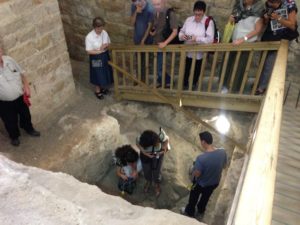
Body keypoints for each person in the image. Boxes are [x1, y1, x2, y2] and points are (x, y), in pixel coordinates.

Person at [0, 46, 40, 147]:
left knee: (26, 115)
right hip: (4, 102)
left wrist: (26, 86)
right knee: (9, 121)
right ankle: (14, 137)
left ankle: (28, 128)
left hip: (20, 97)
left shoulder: (9, 60)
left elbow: (22, 73)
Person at [181, 131, 227, 218]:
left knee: (193, 196)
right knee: (205, 198)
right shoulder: (222, 152)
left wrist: (193, 169)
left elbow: (197, 175)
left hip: (200, 184)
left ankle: (189, 211)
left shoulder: (201, 158)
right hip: (214, 183)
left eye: (200, 141)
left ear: (203, 142)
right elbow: (224, 166)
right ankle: (201, 211)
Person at [256, 0, 298, 95]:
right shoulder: (268, 3)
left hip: (282, 37)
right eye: (270, 3)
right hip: (269, 36)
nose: (272, 5)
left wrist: (278, 18)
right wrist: (266, 18)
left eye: (274, 3)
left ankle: (262, 88)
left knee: (269, 63)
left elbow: (292, 25)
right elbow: (266, 22)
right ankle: (260, 84)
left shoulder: (290, 3)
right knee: (263, 62)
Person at [222, 0, 264, 93]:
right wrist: (231, 19)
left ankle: (234, 89)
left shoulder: (258, 10)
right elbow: (236, 22)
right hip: (233, 41)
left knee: (240, 67)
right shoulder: (239, 6)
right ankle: (224, 85)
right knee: (228, 63)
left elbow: (258, 30)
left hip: (246, 44)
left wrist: (243, 39)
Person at [178, 1, 215, 89]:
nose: (197, 16)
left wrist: (197, 39)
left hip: (199, 53)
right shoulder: (189, 20)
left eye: (200, 14)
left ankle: (194, 83)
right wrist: (182, 36)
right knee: (186, 69)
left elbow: (210, 40)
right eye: (196, 14)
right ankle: (185, 84)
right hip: (187, 50)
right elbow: (181, 32)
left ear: (204, 12)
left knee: (197, 70)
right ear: (194, 11)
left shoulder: (208, 22)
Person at [149, 0, 179, 87]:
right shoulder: (155, 13)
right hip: (156, 44)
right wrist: (154, 32)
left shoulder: (170, 14)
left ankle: (167, 81)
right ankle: (164, 81)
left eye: (158, 4)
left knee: (159, 66)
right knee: (159, 65)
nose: (156, 7)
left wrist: (165, 43)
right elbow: (157, 26)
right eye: (154, 5)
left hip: (164, 45)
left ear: (164, 2)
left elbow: (175, 31)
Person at [136, 128, 170, 197]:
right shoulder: (142, 139)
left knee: (156, 170)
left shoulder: (160, 138)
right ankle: (148, 181)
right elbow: (137, 143)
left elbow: (167, 139)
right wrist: (144, 152)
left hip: (157, 156)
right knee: (146, 170)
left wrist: (163, 151)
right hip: (145, 156)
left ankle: (156, 183)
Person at [85, 17, 113, 100]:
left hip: (104, 55)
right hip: (96, 57)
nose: (100, 30)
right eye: (99, 28)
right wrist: (99, 51)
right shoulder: (89, 37)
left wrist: (106, 45)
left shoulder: (104, 32)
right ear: (94, 27)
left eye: (102, 27)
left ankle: (102, 88)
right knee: (98, 74)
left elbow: (109, 43)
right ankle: (97, 91)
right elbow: (88, 51)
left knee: (105, 72)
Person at [130, 0, 154, 82]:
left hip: (147, 40)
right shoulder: (134, 6)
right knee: (138, 60)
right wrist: (136, 12)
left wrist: (143, 41)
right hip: (137, 39)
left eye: (137, 2)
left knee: (145, 61)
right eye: (134, 3)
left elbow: (149, 26)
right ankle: (138, 79)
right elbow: (132, 23)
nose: (136, 4)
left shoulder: (150, 8)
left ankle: (143, 80)